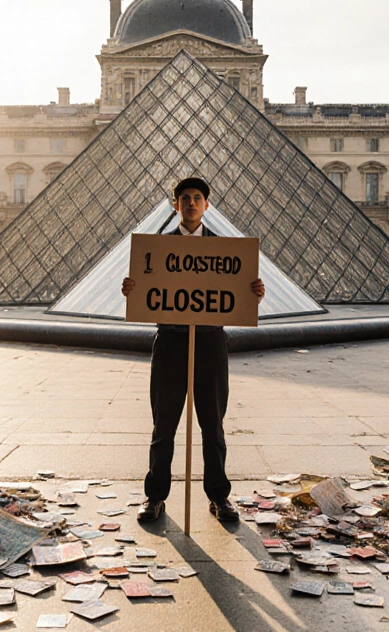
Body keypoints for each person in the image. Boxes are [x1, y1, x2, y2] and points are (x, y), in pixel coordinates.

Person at [121, 176, 264, 523]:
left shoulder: (227, 252)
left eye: (197, 198)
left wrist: (253, 293)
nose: (191, 203)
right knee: (163, 426)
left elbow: (238, 296)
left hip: (210, 342)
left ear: (206, 205)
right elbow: (146, 295)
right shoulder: (156, 251)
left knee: (212, 425)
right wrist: (133, 290)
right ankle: (155, 496)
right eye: (184, 198)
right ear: (176, 205)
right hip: (170, 341)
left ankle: (219, 497)